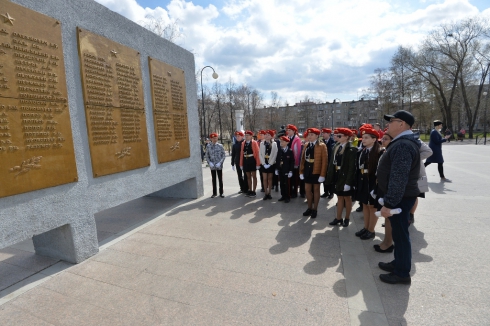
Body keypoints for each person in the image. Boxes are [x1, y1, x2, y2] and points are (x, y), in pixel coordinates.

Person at [377, 110, 421, 285]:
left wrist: (389, 203)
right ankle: (398, 263)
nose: (388, 125)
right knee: (399, 233)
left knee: (401, 236)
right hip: (401, 198)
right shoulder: (404, 142)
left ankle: (402, 273)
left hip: (400, 199)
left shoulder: (403, 145)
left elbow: (398, 177)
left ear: (402, 124)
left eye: (392, 121)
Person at [354, 126, 383, 240]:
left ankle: (371, 230)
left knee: (372, 207)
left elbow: (379, 172)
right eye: (363, 137)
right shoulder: (363, 151)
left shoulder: (379, 152)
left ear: (374, 139)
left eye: (366, 137)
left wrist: (376, 188)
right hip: (363, 182)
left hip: (372, 183)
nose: (363, 139)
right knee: (365, 205)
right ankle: (366, 228)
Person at [326, 128, 357, 227]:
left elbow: (352, 167)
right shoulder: (337, 146)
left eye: (340, 136)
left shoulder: (351, 149)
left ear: (347, 137)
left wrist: (348, 182)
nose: (337, 137)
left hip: (345, 176)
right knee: (339, 198)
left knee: (347, 198)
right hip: (337, 175)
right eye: (337, 135)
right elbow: (332, 163)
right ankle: (338, 218)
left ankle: (347, 218)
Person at [299, 128, 328, 219]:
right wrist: (301, 171)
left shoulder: (322, 146)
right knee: (307, 189)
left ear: (316, 136)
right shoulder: (306, 145)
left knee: (316, 190)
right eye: (308, 135)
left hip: (316, 170)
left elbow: (325, 161)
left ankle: (315, 209)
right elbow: (302, 159)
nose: (309, 136)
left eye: (312, 135)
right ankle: (309, 208)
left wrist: (322, 175)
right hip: (307, 169)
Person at [240, 130, 261, 197]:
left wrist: (258, 164)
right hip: (246, 160)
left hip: (252, 160)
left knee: (254, 176)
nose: (246, 137)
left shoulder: (254, 143)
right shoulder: (243, 143)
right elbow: (241, 154)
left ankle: (254, 191)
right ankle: (250, 190)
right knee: (248, 177)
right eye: (245, 135)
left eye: (248, 135)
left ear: (251, 136)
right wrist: (241, 164)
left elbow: (257, 153)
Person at [205, 133, 226, 198]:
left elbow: (223, 155)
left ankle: (221, 193)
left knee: (220, 179)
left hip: (219, 165)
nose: (215, 139)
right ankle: (214, 193)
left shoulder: (220, 146)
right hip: (212, 165)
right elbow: (207, 156)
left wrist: (220, 162)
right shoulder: (208, 146)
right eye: (213, 138)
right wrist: (209, 163)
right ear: (211, 139)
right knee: (213, 179)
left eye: (216, 138)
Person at [259, 130, 278, 200]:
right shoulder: (262, 143)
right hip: (264, 163)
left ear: (271, 136)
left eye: (268, 135)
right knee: (264, 179)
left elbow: (275, 154)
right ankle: (265, 193)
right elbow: (260, 154)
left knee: (270, 179)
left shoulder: (274, 144)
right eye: (266, 134)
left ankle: (269, 193)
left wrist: (270, 164)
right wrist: (263, 164)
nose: (267, 136)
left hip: (271, 163)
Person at [276, 135, 295, 203]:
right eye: (281, 141)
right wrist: (277, 169)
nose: (281, 143)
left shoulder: (290, 151)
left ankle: (288, 196)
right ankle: (283, 195)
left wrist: (291, 171)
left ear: (287, 142)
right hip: (281, 170)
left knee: (287, 184)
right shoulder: (279, 150)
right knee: (281, 183)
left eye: (283, 141)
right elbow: (277, 160)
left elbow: (292, 161)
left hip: (287, 170)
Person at [286, 124, 302, 198]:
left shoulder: (297, 139)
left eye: (290, 130)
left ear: (294, 131)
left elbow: (298, 152)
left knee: (294, 178)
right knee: (287, 178)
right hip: (287, 161)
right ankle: (288, 192)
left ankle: (294, 192)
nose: (288, 131)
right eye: (287, 130)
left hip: (294, 161)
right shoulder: (287, 138)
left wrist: (296, 163)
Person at [321, 128, 335, 199]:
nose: (323, 134)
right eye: (322, 133)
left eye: (324, 133)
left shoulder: (332, 142)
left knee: (330, 178)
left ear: (329, 134)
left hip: (330, 163)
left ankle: (331, 192)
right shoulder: (322, 142)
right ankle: (326, 192)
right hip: (323, 163)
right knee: (324, 177)